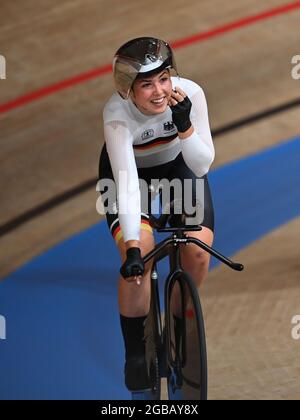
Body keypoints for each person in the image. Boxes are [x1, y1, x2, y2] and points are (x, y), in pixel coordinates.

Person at [98, 37, 215, 395]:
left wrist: (185, 126)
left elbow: (201, 163)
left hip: (180, 167)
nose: (159, 91)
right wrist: (133, 248)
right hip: (131, 176)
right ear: (128, 90)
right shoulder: (116, 113)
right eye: (146, 84)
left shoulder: (190, 93)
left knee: (197, 249)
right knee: (139, 261)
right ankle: (135, 353)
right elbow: (129, 184)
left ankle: (181, 329)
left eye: (163, 78)